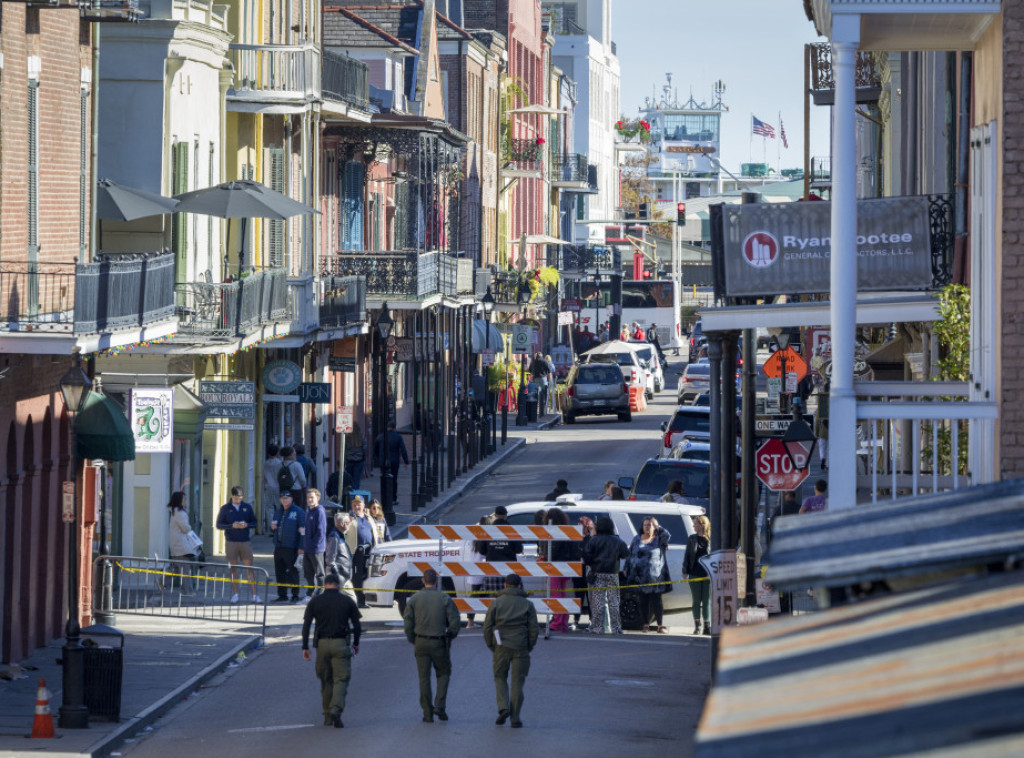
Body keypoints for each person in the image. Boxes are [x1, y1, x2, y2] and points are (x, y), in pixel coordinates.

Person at [301, 574, 361, 729]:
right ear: (339, 585)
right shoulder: (347, 601)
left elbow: (306, 625)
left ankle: (327, 715)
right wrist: (355, 643)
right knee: (341, 679)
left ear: (324, 585)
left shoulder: (315, 601)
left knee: (325, 680)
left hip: (321, 645)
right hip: (340, 643)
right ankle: (336, 708)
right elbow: (357, 625)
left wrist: (305, 647)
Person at [402, 568, 460, 723]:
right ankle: (439, 705)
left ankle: (427, 713)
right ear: (436, 581)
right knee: (443, 673)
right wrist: (451, 635)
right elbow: (455, 621)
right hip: (439, 641)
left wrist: (412, 638)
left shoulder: (414, 599)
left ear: (423, 580)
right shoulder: (444, 598)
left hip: (420, 641)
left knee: (424, 677)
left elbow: (407, 622)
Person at [482, 573, 539, 729]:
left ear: (505, 585)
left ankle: (503, 707)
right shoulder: (527, 604)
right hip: (520, 646)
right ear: (520, 586)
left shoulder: (496, 603)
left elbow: (487, 627)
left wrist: (491, 645)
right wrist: (529, 646)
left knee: (500, 677)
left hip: (501, 645)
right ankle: (515, 718)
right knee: (517, 682)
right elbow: (534, 629)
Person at [581, 516, 628, 634]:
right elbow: (626, 554)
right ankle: (616, 628)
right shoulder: (617, 540)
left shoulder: (593, 540)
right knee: (614, 602)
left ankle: (598, 627)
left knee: (598, 602)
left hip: (597, 573)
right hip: (613, 574)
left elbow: (586, 557)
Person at [625, 517, 672, 633]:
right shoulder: (636, 539)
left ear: (654, 527)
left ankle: (660, 626)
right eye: (645, 525)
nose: (647, 527)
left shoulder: (660, 539)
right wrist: (626, 567)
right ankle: (645, 624)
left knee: (657, 601)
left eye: (650, 525)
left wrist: (658, 526)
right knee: (643, 601)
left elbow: (667, 534)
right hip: (639, 576)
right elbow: (630, 554)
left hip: (655, 576)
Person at [216, 486, 260, 603]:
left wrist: (246, 525)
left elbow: (254, 522)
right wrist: (232, 526)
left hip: (245, 540)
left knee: (249, 567)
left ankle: (255, 595)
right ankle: (235, 594)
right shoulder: (225, 508)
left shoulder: (247, 507)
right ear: (232, 496)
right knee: (233, 568)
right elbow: (219, 525)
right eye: (236, 498)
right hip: (231, 541)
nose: (238, 500)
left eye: (240, 498)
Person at [271, 491, 305, 603]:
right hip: (279, 546)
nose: (284, 500)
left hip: (292, 547)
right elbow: (275, 525)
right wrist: (273, 527)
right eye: (282, 498)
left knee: (293, 571)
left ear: (291, 499)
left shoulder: (298, 511)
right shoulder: (278, 511)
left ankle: (295, 595)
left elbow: (303, 531)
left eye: (287, 498)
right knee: (279, 572)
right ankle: (282, 595)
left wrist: (301, 547)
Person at [482, 505, 523, 594]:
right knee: (512, 598)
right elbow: (519, 549)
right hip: (509, 571)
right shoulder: (511, 529)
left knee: (493, 600)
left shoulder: (488, 530)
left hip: (492, 570)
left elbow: (481, 550)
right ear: (505, 515)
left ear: (495, 515)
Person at [545, 508, 574, 632]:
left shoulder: (553, 532)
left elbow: (553, 551)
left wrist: (545, 557)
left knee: (556, 594)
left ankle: (557, 622)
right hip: (566, 566)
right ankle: (563, 622)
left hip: (556, 566)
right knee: (562, 593)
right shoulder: (565, 530)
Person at [683, 515, 711, 635]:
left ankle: (707, 626)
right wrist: (685, 570)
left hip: (708, 574)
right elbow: (687, 556)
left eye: (696, 524)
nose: (694, 526)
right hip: (694, 573)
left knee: (706, 600)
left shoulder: (711, 539)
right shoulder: (692, 538)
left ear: (702, 525)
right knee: (696, 600)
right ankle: (697, 625)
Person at [465, 515, 492, 630]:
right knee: (487, 596)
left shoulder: (474, 535)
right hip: (483, 570)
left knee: (474, 597)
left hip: (474, 571)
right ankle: (486, 622)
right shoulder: (486, 536)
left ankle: (470, 622)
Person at [167, 491, 195, 594]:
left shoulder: (174, 512)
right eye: (184, 499)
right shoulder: (180, 513)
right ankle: (187, 591)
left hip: (176, 544)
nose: (185, 501)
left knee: (176, 569)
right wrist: (190, 529)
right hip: (181, 545)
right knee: (185, 569)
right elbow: (185, 528)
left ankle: (162, 582)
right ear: (180, 501)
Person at [325, 511, 357, 602]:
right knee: (348, 600)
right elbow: (330, 558)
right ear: (342, 524)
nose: (349, 524)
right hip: (339, 575)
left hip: (344, 575)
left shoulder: (340, 535)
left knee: (351, 600)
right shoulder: (334, 537)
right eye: (347, 522)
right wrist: (335, 574)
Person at [303, 489, 328, 600]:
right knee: (308, 572)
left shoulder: (319, 511)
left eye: (312, 497)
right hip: (307, 548)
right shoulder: (309, 511)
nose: (309, 500)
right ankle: (310, 593)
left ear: (318, 498)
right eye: (308, 497)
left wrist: (314, 545)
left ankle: (321, 594)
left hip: (316, 549)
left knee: (319, 573)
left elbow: (321, 531)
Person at [350, 497, 374, 607]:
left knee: (369, 576)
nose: (356, 506)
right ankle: (360, 600)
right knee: (357, 577)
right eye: (354, 504)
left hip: (369, 553)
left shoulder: (369, 519)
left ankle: (367, 598)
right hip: (356, 554)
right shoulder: (350, 518)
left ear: (364, 505)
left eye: (359, 504)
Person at [375, 428, 410, 504]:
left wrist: (378, 458)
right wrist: (406, 461)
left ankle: (384, 498)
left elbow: (376, 448)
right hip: (394, 461)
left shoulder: (381, 436)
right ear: (394, 428)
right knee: (394, 479)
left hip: (383, 461)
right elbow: (403, 449)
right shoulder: (398, 437)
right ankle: (393, 498)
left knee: (384, 478)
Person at [278, 446, 307, 510]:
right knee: (298, 509)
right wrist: (303, 486)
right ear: (291, 454)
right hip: (296, 490)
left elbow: (277, 477)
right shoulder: (297, 465)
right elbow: (302, 479)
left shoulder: (279, 465)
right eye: (294, 452)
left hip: (283, 489)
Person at [263, 445, 283, 526]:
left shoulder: (266, 463)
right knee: (279, 506)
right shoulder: (280, 463)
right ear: (277, 453)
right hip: (278, 486)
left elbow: (263, 477)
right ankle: (279, 526)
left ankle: (271, 527)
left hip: (268, 486)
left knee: (269, 507)